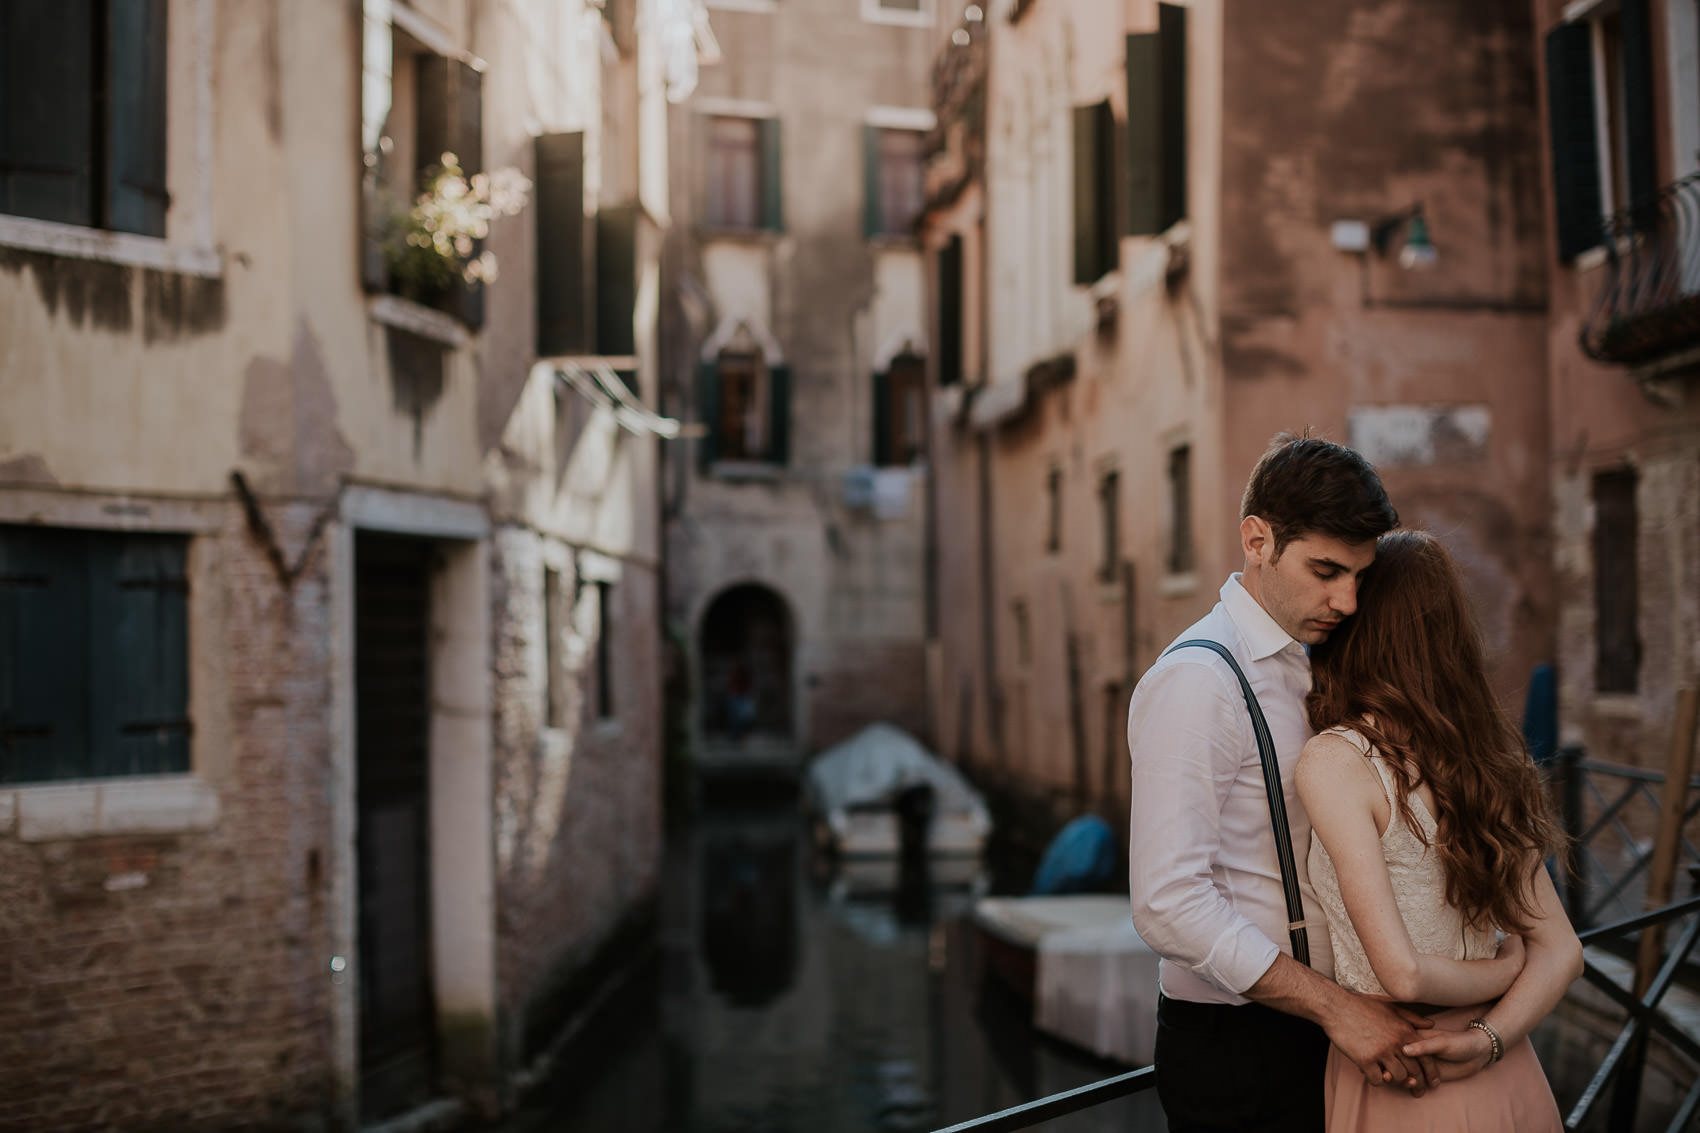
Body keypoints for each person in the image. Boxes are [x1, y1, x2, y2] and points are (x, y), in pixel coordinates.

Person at [1128, 433, 1427, 1133]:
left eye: (1359, 574)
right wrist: (1336, 1007)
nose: (1348, 600)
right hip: (1241, 1044)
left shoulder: (1315, 659)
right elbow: (1168, 903)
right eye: (1326, 570)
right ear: (1256, 540)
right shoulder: (1198, 681)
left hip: (1327, 1028)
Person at [1297, 530, 1584, 1131]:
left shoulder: (1337, 760)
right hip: (1506, 1072)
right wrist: (1490, 1032)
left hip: (1406, 1067)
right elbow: (1561, 950)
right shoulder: (1489, 757)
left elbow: (1400, 973)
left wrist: (1504, 977)